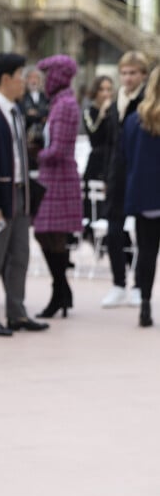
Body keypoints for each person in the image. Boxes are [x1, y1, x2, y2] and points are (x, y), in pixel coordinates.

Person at [0, 52, 49, 336]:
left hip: (20, 194)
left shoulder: (14, 111)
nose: (24, 82)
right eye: (20, 76)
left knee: (20, 256)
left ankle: (17, 312)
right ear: (5, 79)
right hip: (0, 198)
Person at [33, 55, 83, 319]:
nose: (43, 82)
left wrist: (34, 154)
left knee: (51, 235)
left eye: (47, 75)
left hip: (58, 177)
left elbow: (58, 150)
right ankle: (62, 291)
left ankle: (60, 291)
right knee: (47, 235)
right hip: (53, 176)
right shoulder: (60, 103)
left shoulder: (64, 105)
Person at [101, 51, 148, 308]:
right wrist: (107, 175)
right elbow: (109, 143)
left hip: (140, 174)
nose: (128, 78)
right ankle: (118, 283)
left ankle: (140, 285)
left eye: (133, 73)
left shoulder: (148, 102)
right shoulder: (113, 103)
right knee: (114, 230)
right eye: (124, 73)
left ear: (142, 75)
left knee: (144, 231)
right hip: (117, 174)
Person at [123, 65, 160, 328]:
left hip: (146, 196)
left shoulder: (135, 119)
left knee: (146, 252)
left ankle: (145, 303)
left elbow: (126, 156)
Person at [82, 75, 114, 231]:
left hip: (111, 160)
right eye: (102, 89)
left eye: (108, 89)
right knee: (94, 204)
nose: (105, 93)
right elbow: (93, 134)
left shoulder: (115, 110)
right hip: (96, 160)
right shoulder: (89, 111)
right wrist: (101, 114)